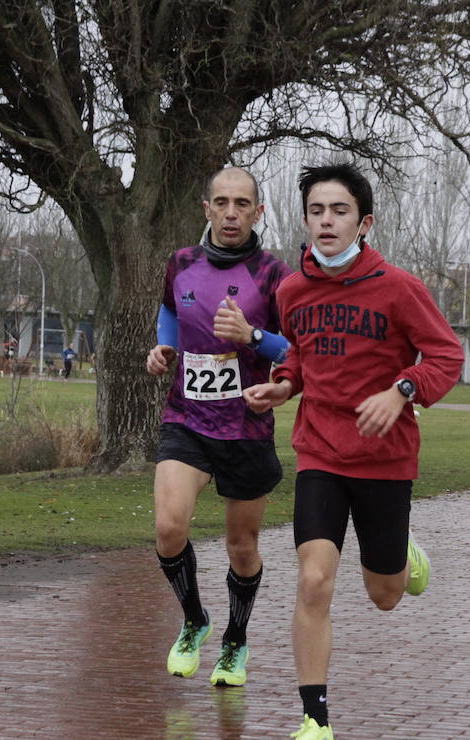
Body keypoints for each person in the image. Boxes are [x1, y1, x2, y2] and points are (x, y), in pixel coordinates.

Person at [243, 162, 463, 740]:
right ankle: (316, 724)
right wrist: (283, 386)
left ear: (363, 222)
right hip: (320, 451)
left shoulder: (398, 287)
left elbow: (446, 354)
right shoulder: (291, 291)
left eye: (339, 211)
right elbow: (299, 357)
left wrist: (403, 390)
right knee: (313, 580)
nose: (326, 221)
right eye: (316, 210)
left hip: (386, 458)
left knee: (385, 594)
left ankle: (402, 555)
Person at [145, 166, 293, 691]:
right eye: (222, 203)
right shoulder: (181, 263)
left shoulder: (275, 274)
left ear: (259, 212)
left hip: (246, 425)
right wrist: (163, 347)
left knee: (241, 548)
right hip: (186, 417)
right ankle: (194, 620)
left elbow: (296, 351)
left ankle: (234, 637)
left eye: (242, 204)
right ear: (206, 208)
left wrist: (253, 336)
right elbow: (168, 312)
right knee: (168, 528)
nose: (232, 213)